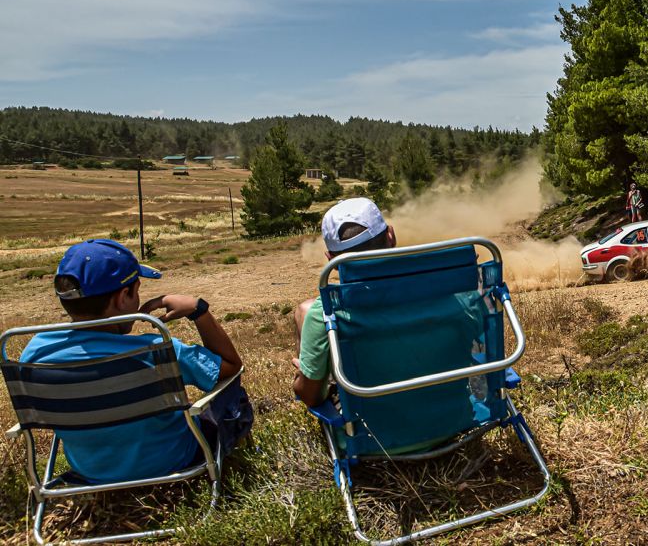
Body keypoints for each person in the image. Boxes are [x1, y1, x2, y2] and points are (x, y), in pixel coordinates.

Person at [20, 239, 252, 483]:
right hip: (173, 461)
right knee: (235, 395)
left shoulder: (34, 354)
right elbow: (231, 366)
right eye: (137, 290)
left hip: (90, 472)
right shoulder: (156, 350)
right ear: (123, 297)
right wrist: (199, 310)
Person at [293, 197, 396, 407]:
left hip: (371, 435)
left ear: (331, 259)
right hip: (452, 421)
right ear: (391, 236)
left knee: (305, 310)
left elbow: (310, 397)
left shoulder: (326, 312)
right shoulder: (446, 284)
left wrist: (301, 380)